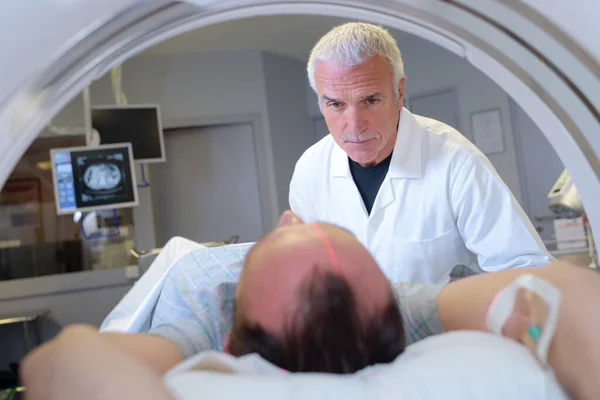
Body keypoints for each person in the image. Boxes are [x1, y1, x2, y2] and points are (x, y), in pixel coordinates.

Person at [20, 211, 600, 400]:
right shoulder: (394, 305)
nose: (292, 216)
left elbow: (65, 359)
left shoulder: (204, 308)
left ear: (229, 338)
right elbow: (556, 293)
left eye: (265, 244)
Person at [289, 21, 553, 282]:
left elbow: (527, 270)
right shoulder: (310, 170)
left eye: (370, 100)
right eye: (336, 104)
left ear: (399, 92)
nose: (355, 125)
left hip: (446, 325)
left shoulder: (456, 162)